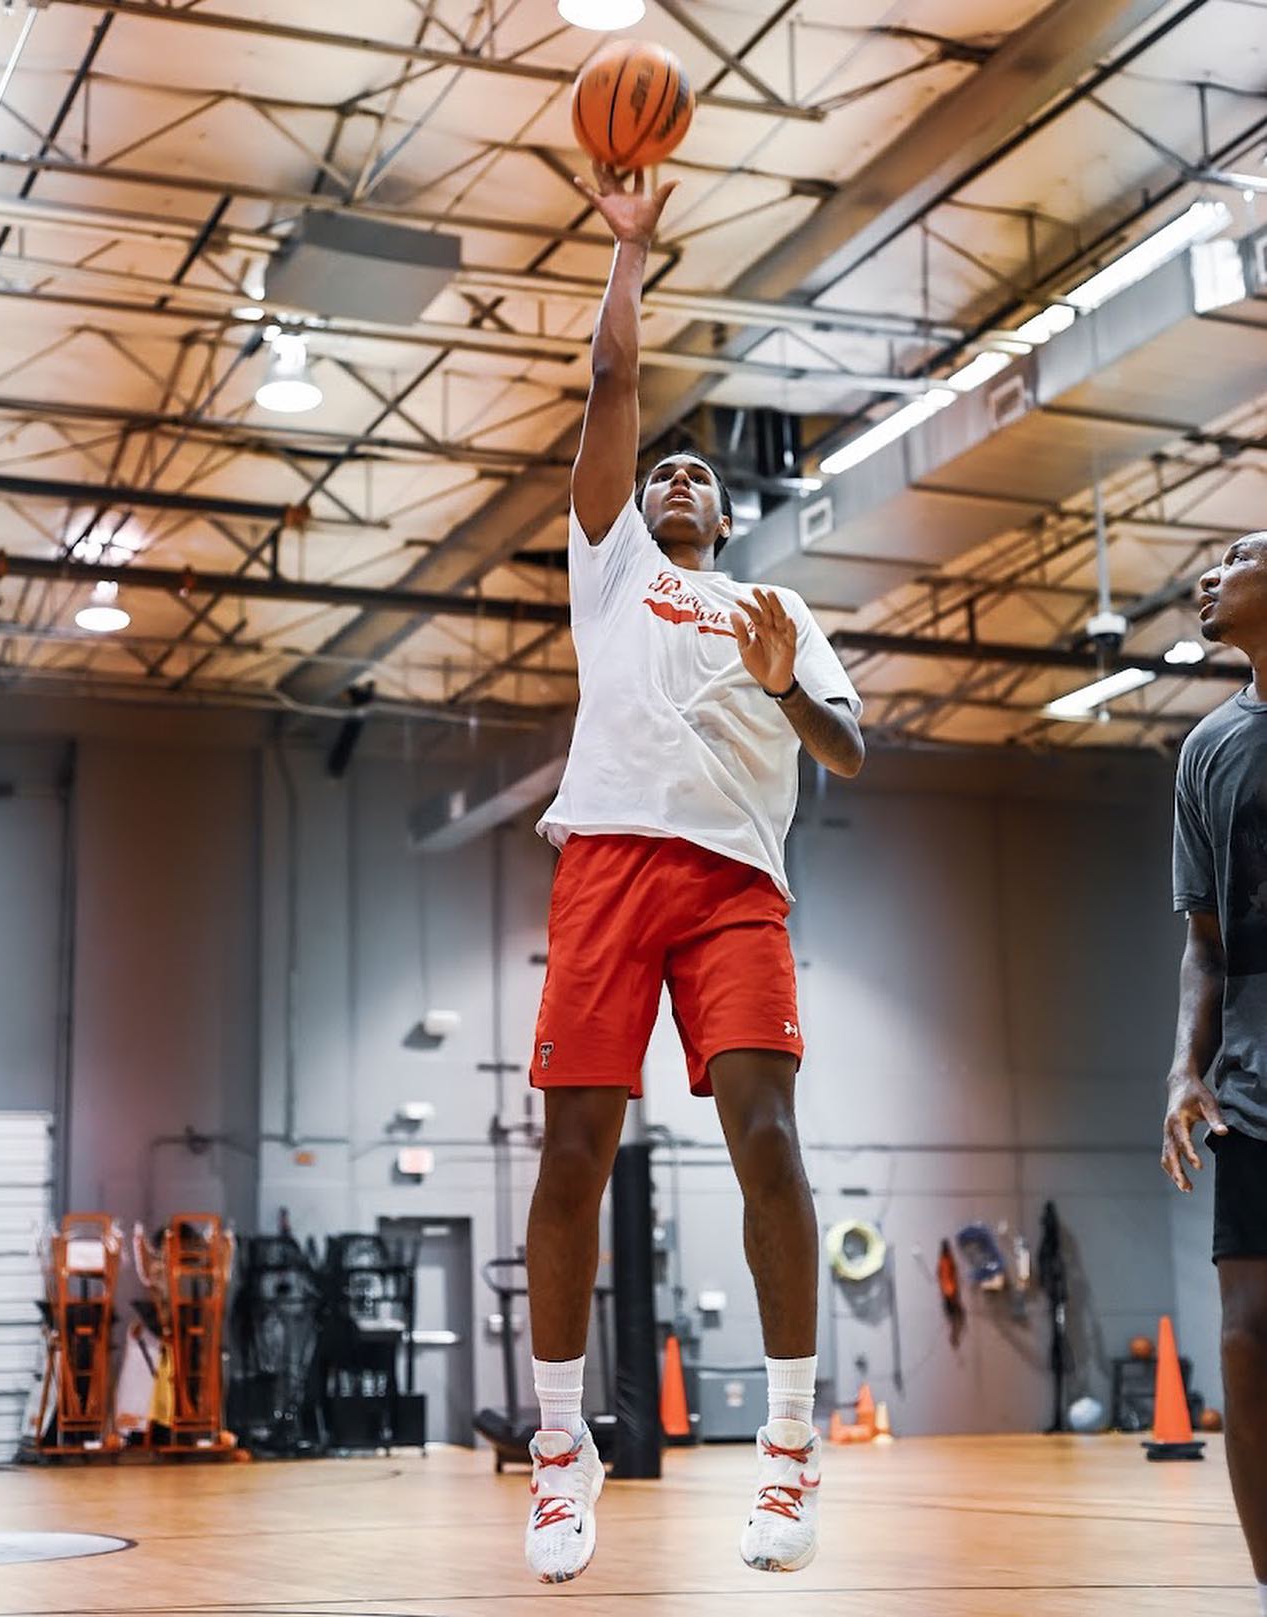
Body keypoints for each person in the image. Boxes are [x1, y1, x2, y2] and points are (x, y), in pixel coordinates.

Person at [520, 163, 865, 1586]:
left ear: (723, 520)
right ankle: (558, 1449)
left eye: (699, 475)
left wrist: (786, 689)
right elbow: (611, 382)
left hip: (733, 879)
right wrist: (628, 252)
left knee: (764, 1137)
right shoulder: (607, 570)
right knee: (572, 1154)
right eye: (663, 466)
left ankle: (788, 1442)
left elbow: (845, 752)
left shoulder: (772, 609)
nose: (673, 475)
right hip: (604, 861)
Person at [1162, 529, 1267, 1615]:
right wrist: (1182, 1072)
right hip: (1251, 1086)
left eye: (1235, 555)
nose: (1209, 574)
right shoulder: (1208, 751)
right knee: (1244, 1339)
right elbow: (1205, 944)